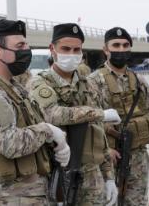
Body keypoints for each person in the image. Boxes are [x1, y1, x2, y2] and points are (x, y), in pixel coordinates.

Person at [0, 19, 71, 205]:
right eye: (20, 45)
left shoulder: (13, 87)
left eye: (26, 44)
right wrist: (49, 131)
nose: (26, 50)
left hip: (28, 194)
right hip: (10, 196)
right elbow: (10, 143)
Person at [28, 23, 119, 206]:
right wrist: (98, 113)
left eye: (76, 49)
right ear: (52, 49)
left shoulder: (89, 84)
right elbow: (52, 114)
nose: (71, 53)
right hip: (60, 174)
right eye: (66, 49)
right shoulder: (40, 83)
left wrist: (108, 176)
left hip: (93, 174)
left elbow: (99, 133)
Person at [89, 27, 149, 206]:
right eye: (116, 45)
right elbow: (88, 121)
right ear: (105, 50)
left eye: (125, 45)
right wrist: (104, 150)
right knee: (108, 202)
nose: (121, 49)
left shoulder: (139, 80)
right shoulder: (94, 81)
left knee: (137, 202)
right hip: (108, 158)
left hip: (138, 156)